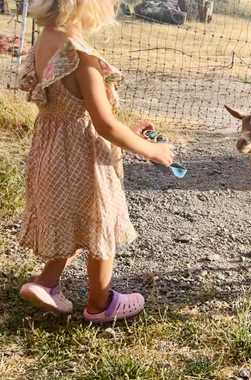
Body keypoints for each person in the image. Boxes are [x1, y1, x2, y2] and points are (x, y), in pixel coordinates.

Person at [17, 0, 174, 323]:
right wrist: (151, 150)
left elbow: (72, 108)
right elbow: (104, 125)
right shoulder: (81, 56)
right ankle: (100, 304)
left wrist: (129, 131)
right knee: (100, 222)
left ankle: (46, 283)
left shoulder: (44, 39)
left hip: (51, 151)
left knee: (75, 219)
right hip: (84, 156)